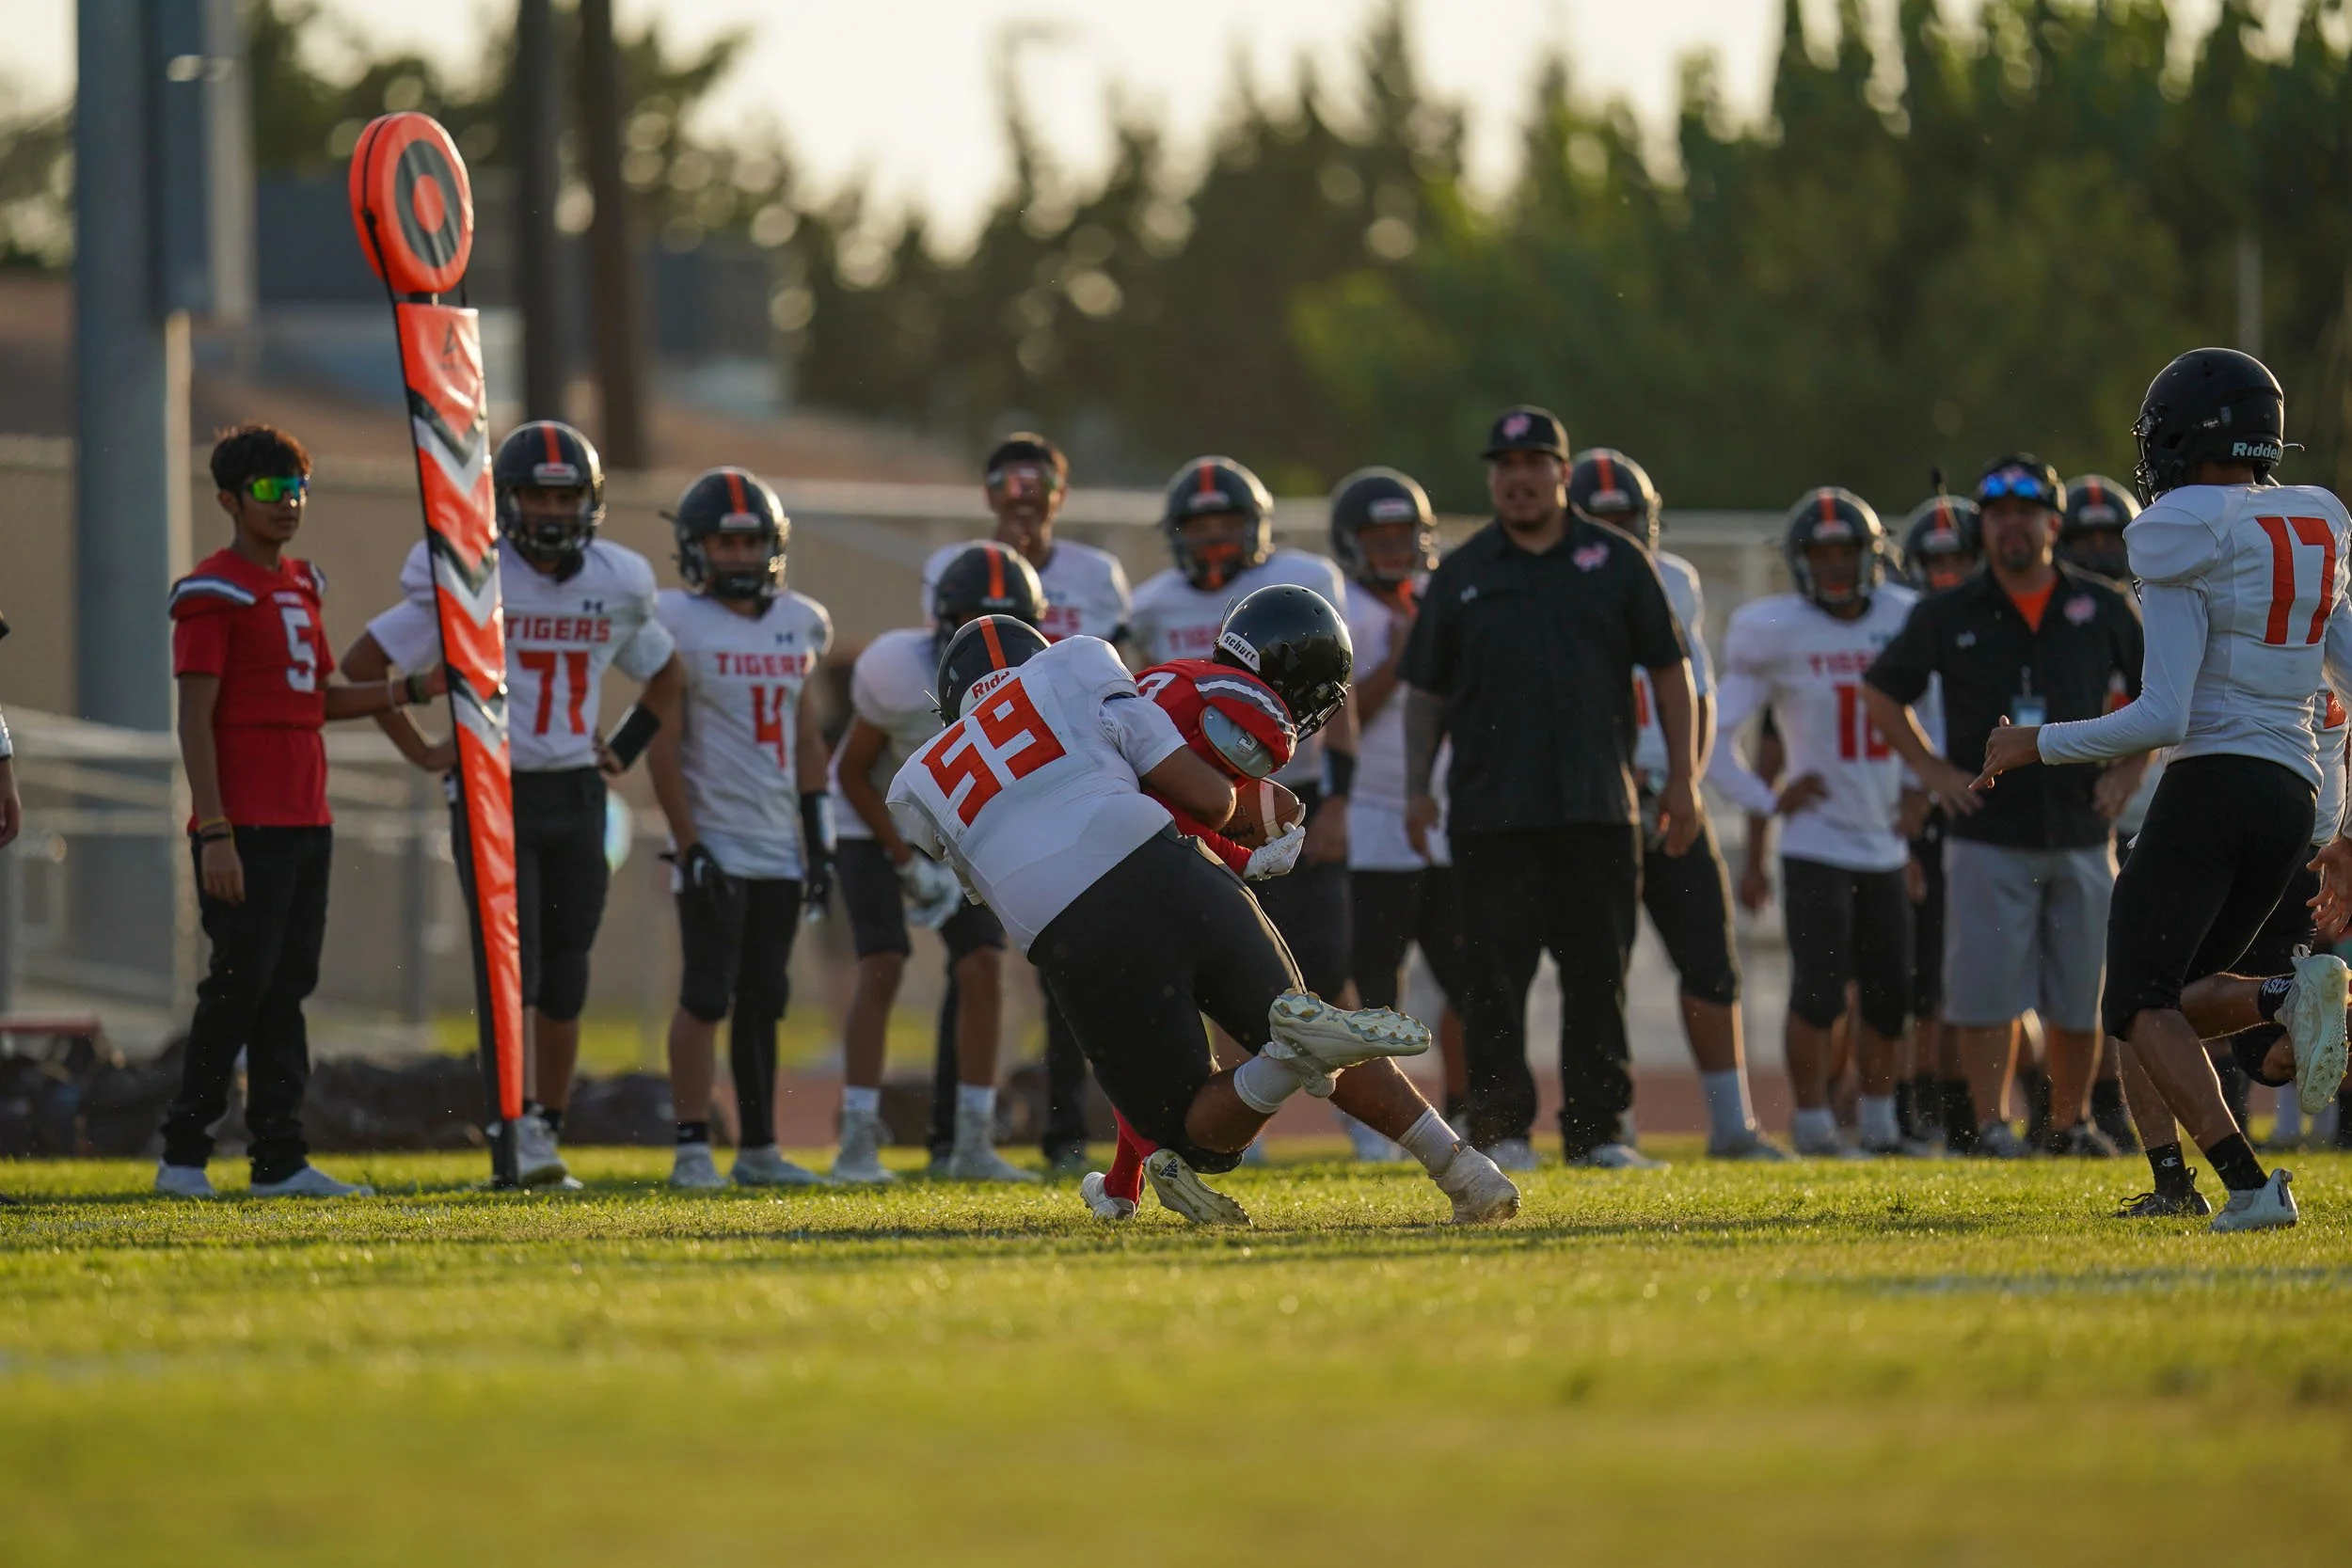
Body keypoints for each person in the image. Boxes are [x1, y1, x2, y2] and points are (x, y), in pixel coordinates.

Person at [887, 617, 1519, 1227]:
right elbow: (1210, 798)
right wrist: (1243, 846)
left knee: (1194, 1139)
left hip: (1072, 933)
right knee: (1297, 1014)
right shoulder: (1076, 660)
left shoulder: (915, 785)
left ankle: (1279, 1064)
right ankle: (1465, 1171)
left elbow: (988, 886)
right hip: (1166, 862)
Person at [1976, 347, 2352, 1230]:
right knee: (2170, 996)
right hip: (2293, 795)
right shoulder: (2316, 517)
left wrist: (2035, 743)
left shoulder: (2180, 523)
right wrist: (2346, 830)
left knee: (2136, 1000)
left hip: (2213, 783)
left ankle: (2250, 1187)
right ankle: (2279, 1003)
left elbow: (2163, 715)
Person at [344, 420, 686, 1188]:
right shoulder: (471, 572)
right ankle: (512, 1122)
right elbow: (363, 665)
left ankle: (544, 1131)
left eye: (566, 497)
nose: (553, 512)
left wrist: (624, 746)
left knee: (566, 975)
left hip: (577, 792)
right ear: (506, 500)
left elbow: (666, 675)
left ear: (590, 502)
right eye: (538, 495)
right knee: (512, 970)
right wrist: (422, 747)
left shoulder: (617, 580)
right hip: (493, 791)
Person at [1399, 405, 1702, 1171]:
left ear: (1563, 473)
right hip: (1489, 813)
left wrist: (1686, 780)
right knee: (1493, 981)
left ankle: (1600, 1132)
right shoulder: (1463, 572)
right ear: (1492, 479)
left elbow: (1671, 670)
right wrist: (1415, 788)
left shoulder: (1617, 560)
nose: (1519, 479)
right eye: (1505, 467)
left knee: (1598, 975)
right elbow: (1425, 692)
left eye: (1534, 463)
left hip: (1597, 807)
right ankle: (1501, 1129)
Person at [154, 423, 440, 1199]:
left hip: (306, 816)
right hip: (245, 822)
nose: (287, 503)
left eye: (297, 489)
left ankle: (279, 1158)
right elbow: (195, 718)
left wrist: (414, 691)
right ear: (229, 500)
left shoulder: (301, 585)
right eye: (270, 490)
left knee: (286, 988)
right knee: (238, 985)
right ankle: (184, 1152)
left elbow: (317, 700)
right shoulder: (212, 591)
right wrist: (216, 829)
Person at [1862, 455, 2147, 1158]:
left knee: (2078, 993)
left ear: (2053, 524)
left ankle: (2068, 1124)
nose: (2012, 526)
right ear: (1982, 526)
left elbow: (2159, 695)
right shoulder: (1947, 609)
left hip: (2080, 826)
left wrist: (2129, 772)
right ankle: (1991, 1126)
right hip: (1986, 830)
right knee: (1985, 992)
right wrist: (1932, 770)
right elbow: (1880, 692)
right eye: (1998, 515)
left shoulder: (2101, 604)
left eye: (2026, 513)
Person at [915, 433, 1130, 1172]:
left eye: (1037, 487)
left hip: (1067, 780)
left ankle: (1065, 1131)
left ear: (1060, 495)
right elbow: (943, 673)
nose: (1023, 502)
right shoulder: (956, 567)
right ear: (988, 494)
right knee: (974, 958)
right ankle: (952, 1132)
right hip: (986, 781)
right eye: (1009, 486)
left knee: (1071, 958)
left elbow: (1112, 678)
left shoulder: (1095, 576)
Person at [1568, 448, 1782, 1161]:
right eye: (1602, 521)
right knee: (1599, 968)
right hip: (1597, 798)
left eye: (1626, 519)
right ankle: (1608, 1127)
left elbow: (1699, 691)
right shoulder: (1553, 585)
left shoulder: (1674, 581)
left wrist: (1684, 780)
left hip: (1670, 790)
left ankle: (1732, 1124)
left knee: (1710, 958)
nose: (1618, 534)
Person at [1709, 490, 1922, 1157]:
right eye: (1820, 553)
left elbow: (1938, 706)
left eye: (1845, 551)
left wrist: (1923, 786)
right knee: (1818, 991)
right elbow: (1714, 734)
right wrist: (1767, 799)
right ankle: (1811, 1124)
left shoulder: (1906, 616)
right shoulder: (1776, 629)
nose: (1833, 565)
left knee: (1889, 992)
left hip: (1886, 840)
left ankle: (1880, 1123)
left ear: (1871, 554)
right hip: (1815, 841)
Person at [827, 543, 1044, 1184]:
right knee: (882, 962)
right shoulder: (897, 669)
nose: (988, 639)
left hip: (959, 830)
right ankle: (857, 1139)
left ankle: (971, 1138)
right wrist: (906, 862)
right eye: (972, 618)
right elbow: (852, 773)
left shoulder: (1040, 675)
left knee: (982, 965)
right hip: (872, 822)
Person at [653, 468, 834, 1190]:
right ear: (695, 547)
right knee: (705, 995)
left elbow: (806, 737)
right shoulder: (677, 621)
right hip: (716, 840)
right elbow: (663, 743)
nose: (738, 555)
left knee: (764, 1001)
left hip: (777, 847)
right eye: (725, 542)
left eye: (750, 541)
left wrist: (819, 841)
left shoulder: (801, 620)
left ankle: (759, 1148)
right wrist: (689, 843)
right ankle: (692, 1147)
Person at [1127, 457, 1359, 1022]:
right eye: (1200, 526)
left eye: (1227, 523)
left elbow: (1336, 696)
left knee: (1324, 966)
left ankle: (1344, 1071)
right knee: (1234, 972)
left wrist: (1338, 800)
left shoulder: (1307, 578)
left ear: (1256, 525)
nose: (1213, 538)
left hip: (1293, 787)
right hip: (1200, 796)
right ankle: (1243, 1073)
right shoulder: (1153, 604)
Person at [1327, 467, 1474, 1138]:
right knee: (1374, 988)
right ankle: (1377, 1128)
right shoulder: (1340, 610)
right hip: (1370, 819)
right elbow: (1341, 714)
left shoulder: (1444, 599)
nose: (1393, 549)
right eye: (1378, 537)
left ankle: (1472, 1112)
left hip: (1442, 815)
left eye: (1403, 534)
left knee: (1470, 979)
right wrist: (1401, 658)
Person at [2058, 473, 2154, 1151]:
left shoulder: (2160, 605)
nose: (2096, 551)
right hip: (2089, 817)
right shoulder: (2061, 617)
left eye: (2107, 538)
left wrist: (2132, 771)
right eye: (2083, 538)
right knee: (2090, 972)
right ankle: (2090, 1103)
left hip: (2160, 812)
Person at [1892, 491, 1977, 1145]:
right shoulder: (1909, 621)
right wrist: (1923, 780)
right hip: (1926, 812)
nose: (1946, 573)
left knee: (1977, 975)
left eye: (1957, 560)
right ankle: (1923, 1105)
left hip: (1993, 812)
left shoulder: (2010, 615)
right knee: (1921, 979)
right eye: (1935, 561)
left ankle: (1973, 1105)